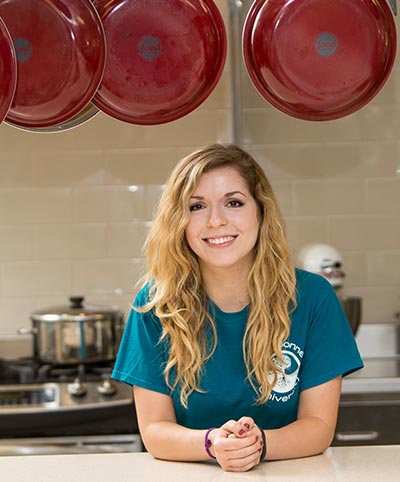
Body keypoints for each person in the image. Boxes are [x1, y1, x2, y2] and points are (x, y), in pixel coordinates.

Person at [112, 143, 363, 472]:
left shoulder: (313, 297)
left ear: (261, 211)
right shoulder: (155, 304)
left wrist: (258, 445)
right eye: (197, 206)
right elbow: (155, 432)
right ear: (179, 221)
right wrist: (214, 442)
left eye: (233, 202)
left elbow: (318, 427)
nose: (216, 220)